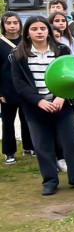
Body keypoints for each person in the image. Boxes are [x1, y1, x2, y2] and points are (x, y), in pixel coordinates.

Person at [10, 16, 74, 195]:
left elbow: (71, 74)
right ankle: (50, 181)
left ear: (48, 31)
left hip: (62, 105)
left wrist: (61, 96)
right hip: (35, 108)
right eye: (34, 29)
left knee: (71, 143)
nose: (39, 32)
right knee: (42, 145)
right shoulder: (19, 54)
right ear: (27, 33)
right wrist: (39, 101)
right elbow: (19, 83)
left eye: (42, 28)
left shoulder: (62, 49)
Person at [0, 12, 34, 163]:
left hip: (25, 88)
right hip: (7, 90)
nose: (12, 26)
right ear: (3, 25)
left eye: (15, 22)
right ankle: (9, 152)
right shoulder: (0, 43)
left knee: (27, 119)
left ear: (20, 24)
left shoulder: (27, 42)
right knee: (8, 122)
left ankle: (29, 146)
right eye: (9, 23)